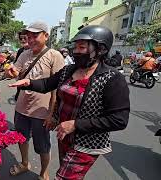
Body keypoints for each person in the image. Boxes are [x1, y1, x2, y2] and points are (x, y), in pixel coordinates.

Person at [9, 25, 130, 179]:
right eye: (75, 47)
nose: (76, 51)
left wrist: (76, 124)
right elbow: (48, 84)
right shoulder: (69, 70)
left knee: (63, 177)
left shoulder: (112, 78)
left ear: (100, 50)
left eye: (82, 47)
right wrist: (29, 82)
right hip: (64, 135)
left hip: (87, 142)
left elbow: (119, 120)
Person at [5, 21, 65, 180]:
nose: (30, 40)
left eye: (35, 36)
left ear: (46, 36)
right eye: (28, 36)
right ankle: (25, 163)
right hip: (21, 108)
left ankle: (43, 172)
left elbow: (57, 89)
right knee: (21, 138)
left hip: (42, 112)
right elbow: (15, 70)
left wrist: (52, 114)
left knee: (43, 146)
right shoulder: (24, 54)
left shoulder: (54, 56)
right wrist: (11, 73)